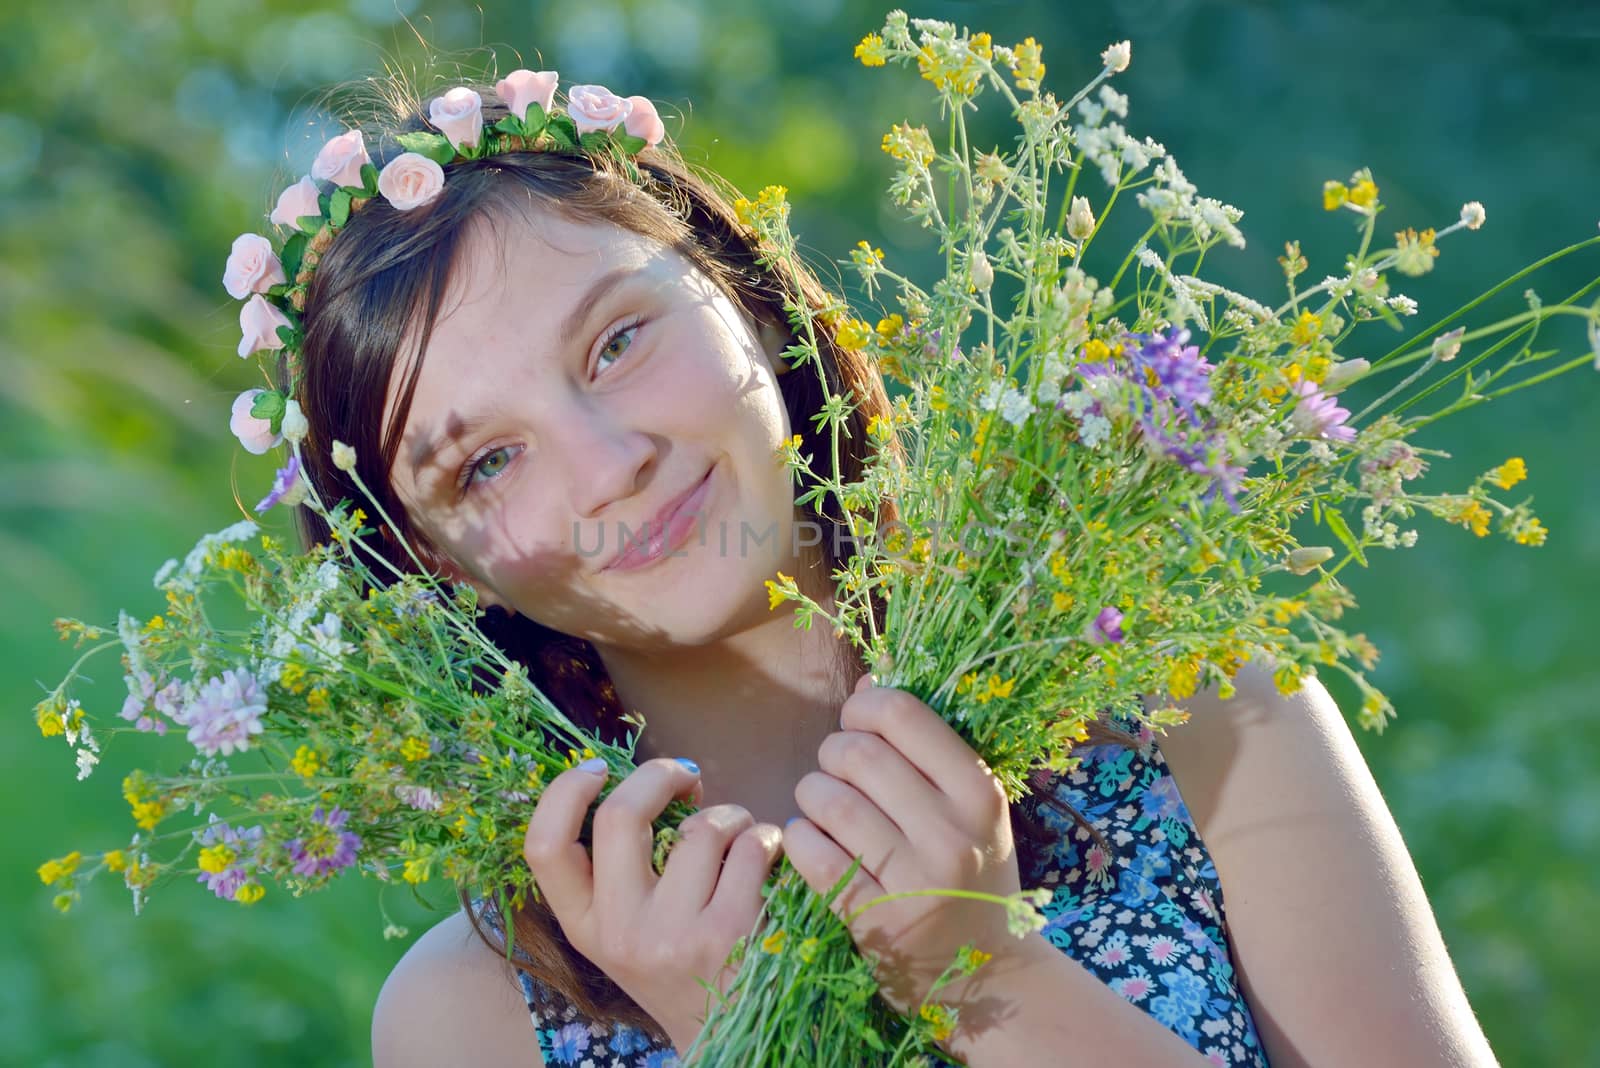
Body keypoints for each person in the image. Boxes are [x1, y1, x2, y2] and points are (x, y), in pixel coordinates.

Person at [264, 74, 1499, 1066]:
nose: (609, 466)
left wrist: (982, 977)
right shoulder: (472, 1016)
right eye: (484, 464)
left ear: (744, 296)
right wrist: (737, 1037)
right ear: (433, 562)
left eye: (618, 342)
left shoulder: (1197, 714)